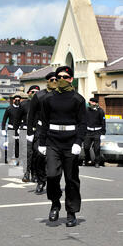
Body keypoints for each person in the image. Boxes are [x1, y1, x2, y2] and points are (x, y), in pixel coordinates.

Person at [39, 66, 87, 228]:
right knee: (52, 175)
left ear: (71, 79)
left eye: (65, 77)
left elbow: (82, 123)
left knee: (71, 179)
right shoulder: (48, 99)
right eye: (58, 76)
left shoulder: (78, 99)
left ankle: (71, 212)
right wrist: (42, 143)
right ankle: (55, 203)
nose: (61, 79)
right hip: (53, 141)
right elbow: (44, 122)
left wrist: (78, 142)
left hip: (70, 143)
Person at [27, 73, 58, 194]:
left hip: (55, 130)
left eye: (57, 79)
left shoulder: (61, 95)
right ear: (47, 81)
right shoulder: (39, 96)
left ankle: (52, 181)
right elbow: (31, 114)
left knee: (54, 158)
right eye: (52, 79)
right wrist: (30, 132)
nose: (55, 81)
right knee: (39, 155)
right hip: (41, 129)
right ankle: (40, 181)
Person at [20, 86, 40, 182]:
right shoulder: (23, 104)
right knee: (28, 153)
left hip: (37, 132)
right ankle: (26, 173)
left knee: (36, 153)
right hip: (25, 131)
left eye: (37, 92)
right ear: (28, 93)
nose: (35, 93)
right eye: (33, 91)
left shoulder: (41, 104)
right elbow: (17, 119)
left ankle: (35, 174)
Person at [84, 98, 106, 168]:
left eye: (93, 102)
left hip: (97, 132)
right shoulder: (86, 110)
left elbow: (103, 122)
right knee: (86, 147)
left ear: (96, 103)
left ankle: (97, 162)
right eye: (90, 102)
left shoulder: (100, 111)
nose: (91, 103)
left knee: (97, 148)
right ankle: (87, 159)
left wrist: (103, 133)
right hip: (88, 132)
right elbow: (83, 121)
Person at [2, 95, 22, 163]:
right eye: (16, 100)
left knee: (17, 144)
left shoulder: (21, 109)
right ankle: (8, 157)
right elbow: (4, 119)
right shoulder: (9, 108)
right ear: (13, 100)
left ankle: (17, 158)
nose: (17, 101)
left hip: (18, 129)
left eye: (19, 100)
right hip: (11, 128)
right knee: (10, 143)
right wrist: (3, 129)